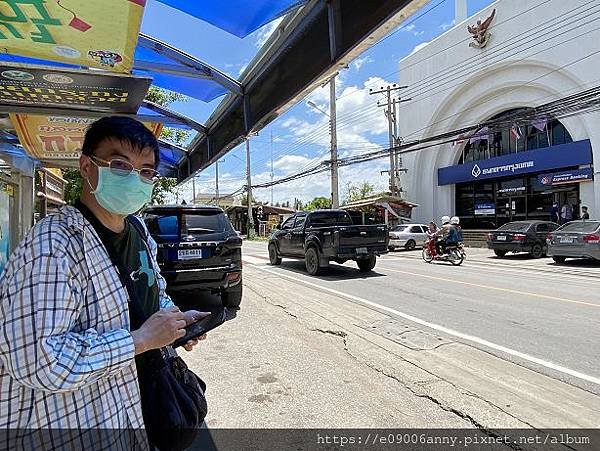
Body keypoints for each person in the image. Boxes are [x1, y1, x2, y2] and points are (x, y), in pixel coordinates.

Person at [0, 117, 207, 446]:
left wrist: (175, 323)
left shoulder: (137, 230)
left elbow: (153, 294)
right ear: (86, 166)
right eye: (120, 164)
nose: (134, 179)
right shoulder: (54, 245)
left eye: (146, 171)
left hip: (137, 409)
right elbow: (37, 361)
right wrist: (139, 340)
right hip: (75, 426)